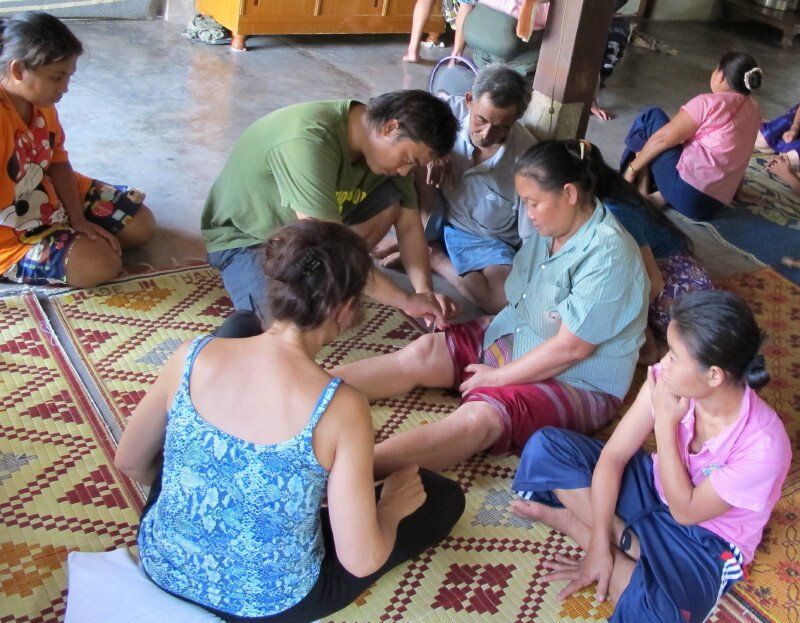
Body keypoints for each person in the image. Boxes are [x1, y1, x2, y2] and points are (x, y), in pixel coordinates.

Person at [115, 220, 466, 623]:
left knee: (238, 328)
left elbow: (131, 462)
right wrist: (389, 508)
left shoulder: (191, 355)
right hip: (269, 605)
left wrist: (213, 480)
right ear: (345, 308)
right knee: (440, 497)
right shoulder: (341, 407)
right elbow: (361, 560)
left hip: (164, 564)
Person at [333, 140, 649, 476]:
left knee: (480, 418)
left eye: (533, 203)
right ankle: (309, 391)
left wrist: (498, 377)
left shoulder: (608, 254)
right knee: (424, 352)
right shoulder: (553, 226)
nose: (528, 213)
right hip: (516, 334)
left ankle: (350, 474)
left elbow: (571, 349)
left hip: (576, 380)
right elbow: (521, 299)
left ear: (569, 194)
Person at [512, 290, 791, 623]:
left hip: (703, 538)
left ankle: (579, 523)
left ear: (714, 375)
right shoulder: (668, 377)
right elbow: (614, 455)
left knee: (660, 615)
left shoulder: (763, 446)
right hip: (651, 486)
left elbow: (686, 511)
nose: (663, 362)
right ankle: (618, 543)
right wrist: (599, 541)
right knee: (547, 447)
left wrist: (665, 421)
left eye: (674, 354)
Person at [201, 90, 460, 330]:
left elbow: (410, 227)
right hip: (249, 239)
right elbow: (330, 247)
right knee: (276, 333)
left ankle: (333, 278)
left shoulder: (380, 149)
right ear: (390, 128)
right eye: (407, 160)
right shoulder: (308, 140)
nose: (405, 171)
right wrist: (404, 300)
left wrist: (423, 293)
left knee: (395, 201)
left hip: (308, 234)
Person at [0, 12, 155, 287]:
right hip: (9, 230)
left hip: (41, 189)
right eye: (57, 78)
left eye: (68, 77)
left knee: (142, 225)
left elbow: (58, 162)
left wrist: (77, 219)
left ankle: (68, 233)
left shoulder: (41, 103)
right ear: (17, 70)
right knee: (100, 265)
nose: (65, 89)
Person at [584, 141, 713, 363]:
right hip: (686, 275)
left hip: (671, 286)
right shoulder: (611, 190)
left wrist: (636, 328)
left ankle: (657, 351)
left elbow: (652, 283)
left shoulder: (614, 215)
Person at [423, 64, 536, 314]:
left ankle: (434, 257)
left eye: (502, 127)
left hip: (488, 240)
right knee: (412, 160)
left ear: (515, 121)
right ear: (469, 100)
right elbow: (395, 123)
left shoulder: (527, 159)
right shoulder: (445, 113)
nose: (486, 134)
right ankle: (418, 236)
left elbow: (531, 236)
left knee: (499, 300)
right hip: (442, 213)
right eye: (481, 120)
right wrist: (434, 150)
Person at [621, 51, 762, 221]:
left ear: (720, 76)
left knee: (651, 117)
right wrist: (736, 191)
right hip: (711, 208)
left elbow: (662, 139)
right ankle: (661, 194)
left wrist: (632, 168)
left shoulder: (709, 103)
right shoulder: (754, 110)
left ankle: (641, 190)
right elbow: (740, 153)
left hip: (686, 194)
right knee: (683, 142)